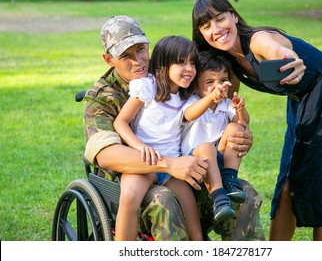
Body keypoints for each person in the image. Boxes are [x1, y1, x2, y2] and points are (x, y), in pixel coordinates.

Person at [192, 0, 322, 241]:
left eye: (220, 18)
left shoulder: (256, 41)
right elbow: (229, 110)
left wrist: (290, 60)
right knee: (287, 187)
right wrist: (240, 131)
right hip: (302, 104)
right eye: (207, 26)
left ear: (233, 15)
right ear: (201, 34)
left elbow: (277, 50)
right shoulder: (227, 63)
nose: (217, 29)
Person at [83, 15, 265, 241]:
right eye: (125, 56)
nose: (138, 60)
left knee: (242, 193)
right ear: (109, 59)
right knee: (166, 199)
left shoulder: (172, 75)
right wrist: (170, 164)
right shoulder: (103, 99)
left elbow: (216, 94)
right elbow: (106, 154)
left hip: (186, 167)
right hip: (137, 180)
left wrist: (239, 134)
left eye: (141, 50)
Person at [113, 36, 236, 240]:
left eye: (192, 63)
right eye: (181, 62)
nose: (188, 68)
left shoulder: (187, 97)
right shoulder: (148, 87)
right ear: (163, 64)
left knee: (190, 215)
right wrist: (139, 146)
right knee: (129, 197)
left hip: (173, 166)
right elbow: (121, 122)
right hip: (144, 162)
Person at [182, 50, 250, 204]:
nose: (218, 86)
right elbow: (190, 114)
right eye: (210, 82)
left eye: (222, 80)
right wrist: (210, 98)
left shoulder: (226, 105)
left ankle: (230, 179)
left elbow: (243, 124)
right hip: (196, 161)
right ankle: (218, 195)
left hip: (220, 159)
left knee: (235, 129)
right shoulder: (192, 101)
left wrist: (240, 109)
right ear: (196, 87)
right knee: (206, 148)